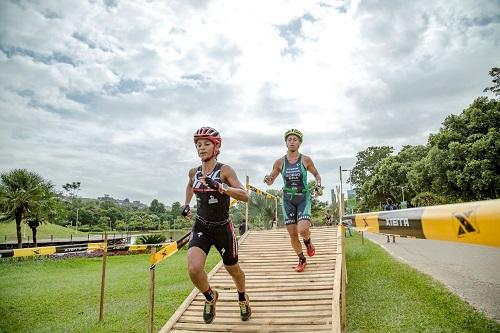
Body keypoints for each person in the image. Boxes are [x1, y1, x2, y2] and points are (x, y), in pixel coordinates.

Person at [182, 126, 251, 324]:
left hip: (223, 228)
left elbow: (245, 195)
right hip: (201, 226)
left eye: (206, 144)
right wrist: (186, 204)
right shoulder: (193, 172)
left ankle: (242, 297)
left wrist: (220, 186)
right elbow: (189, 185)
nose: (201, 148)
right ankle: (211, 297)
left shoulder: (225, 170)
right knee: (194, 269)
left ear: (216, 147)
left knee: (234, 270)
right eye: (198, 145)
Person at [263, 129, 322, 272]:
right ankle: (301, 259)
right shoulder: (279, 162)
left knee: (302, 229)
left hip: (303, 197)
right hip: (288, 199)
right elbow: (271, 181)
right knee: (293, 233)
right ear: (286, 142)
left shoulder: (306, 160)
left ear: (300, 143)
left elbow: (316, 175)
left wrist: (318, 186)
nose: (292, 142)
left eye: (295, 139)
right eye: (289, 139)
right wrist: (267, 179)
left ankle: (308, 243)